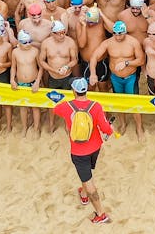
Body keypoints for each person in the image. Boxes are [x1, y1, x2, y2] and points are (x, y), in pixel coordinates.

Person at [53, 77, 114, 225]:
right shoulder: (96, 106)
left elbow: (56, 110)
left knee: (89, 181)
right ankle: (84, 193)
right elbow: (106, 129)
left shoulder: (66, 106)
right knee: (86, 173)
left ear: (74, 91)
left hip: (79, 151)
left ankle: (101, 214)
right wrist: (109, 129)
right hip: (95, 147)